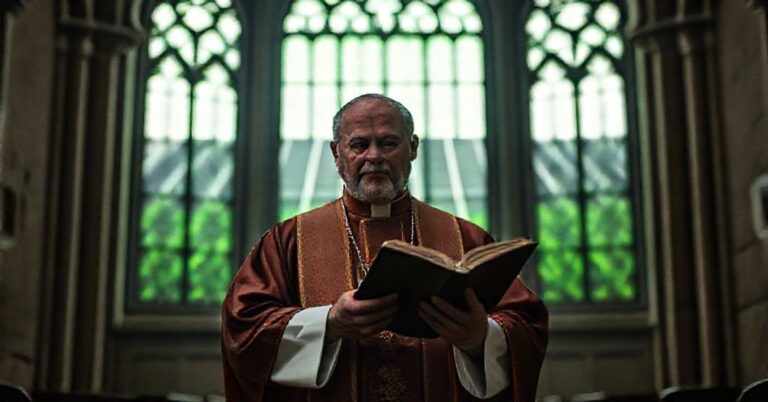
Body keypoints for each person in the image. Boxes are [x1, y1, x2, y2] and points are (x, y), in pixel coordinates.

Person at [221, 94, 548, 402]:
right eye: (359, 145)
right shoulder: (288, 241)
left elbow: (525, 326)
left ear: (413, 147)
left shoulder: (467, 237)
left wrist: (479, 338)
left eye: (388, 143)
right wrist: (330, 323)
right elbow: (244, 327)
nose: (373, 156)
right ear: (337, 153)